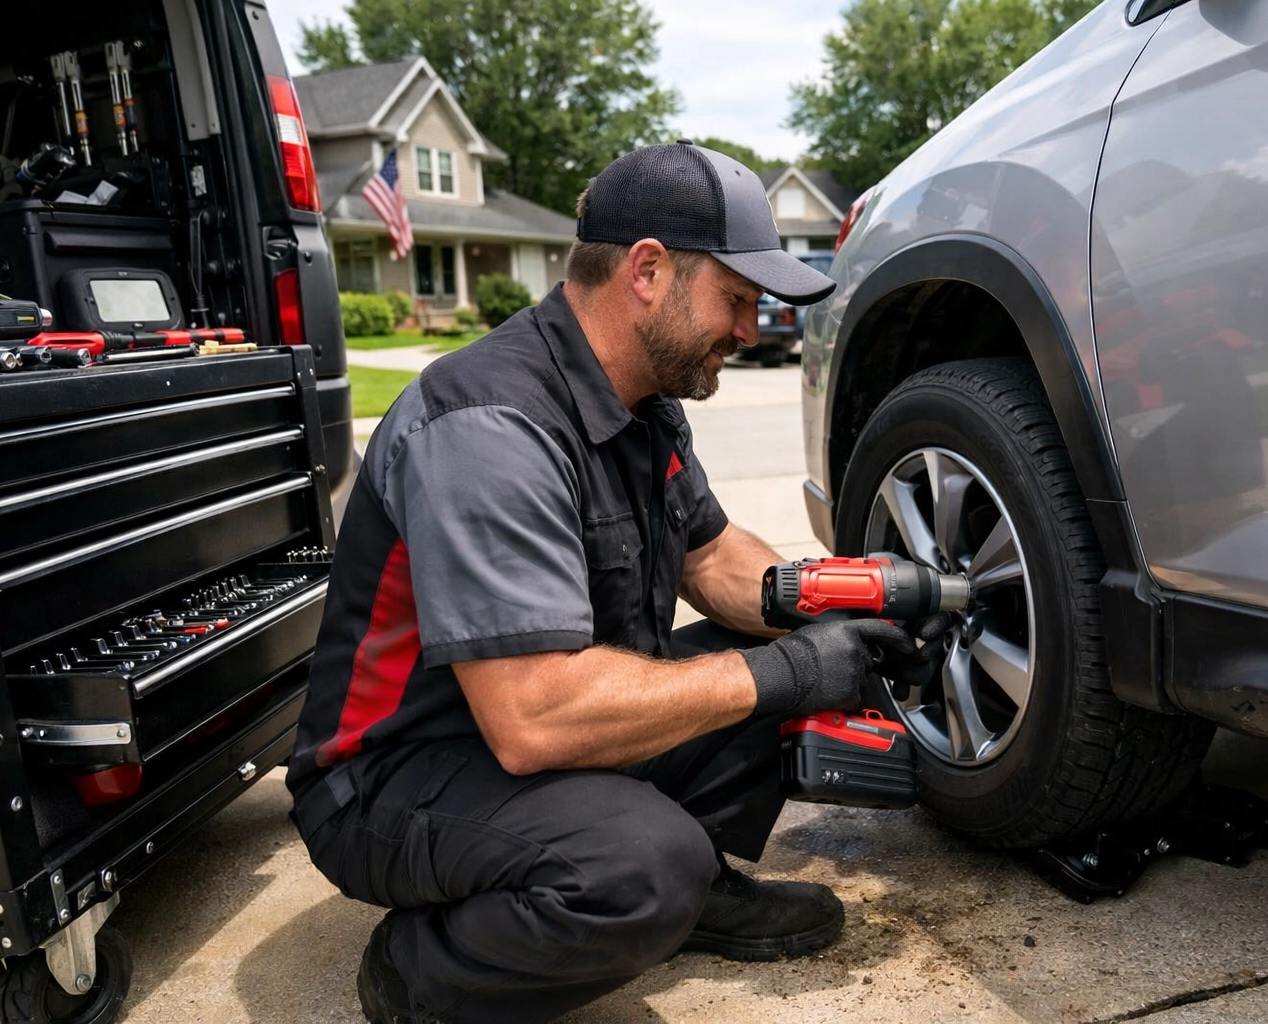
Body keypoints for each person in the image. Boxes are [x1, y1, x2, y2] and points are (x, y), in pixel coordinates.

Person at [287, 141, 944, 1024]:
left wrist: (835, 602)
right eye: (737, 300)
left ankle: (694, 894)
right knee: (641, 865)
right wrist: (790, 670)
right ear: (647, 270)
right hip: (394, 775)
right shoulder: (490, 428)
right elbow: (530, 717)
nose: (750, 331)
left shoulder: (643, 402)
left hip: (530, 725)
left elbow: (711, 558)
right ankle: (422, 973)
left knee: (779, 662)